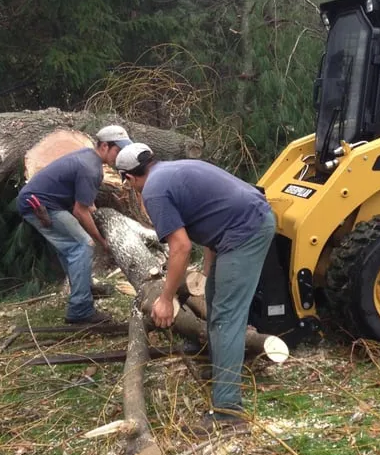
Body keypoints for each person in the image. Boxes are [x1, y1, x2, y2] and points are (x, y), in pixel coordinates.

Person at [115, 143, 276, 434]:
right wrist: (208, 269)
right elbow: (211, 214)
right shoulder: (172, 170)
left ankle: (229, 414)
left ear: (129, 178)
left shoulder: (153, 191)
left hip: (247, 230)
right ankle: (221, 368)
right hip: (238, 226)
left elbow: (181, 247)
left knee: (227, 316)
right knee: (215, 298)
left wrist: (165, 299)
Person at [17, 125, 132, 324]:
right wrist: (100, 240)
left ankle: (84, 287)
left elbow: (87, 203)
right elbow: (80, 211)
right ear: (104, 146)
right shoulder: (90, 167)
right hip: (40, 206)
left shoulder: (89, 158)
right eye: (118, 150)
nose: (120, 156)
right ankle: (80, 310)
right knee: (82, 245)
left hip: (43, 202)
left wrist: (99, 222)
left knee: (70, 248)